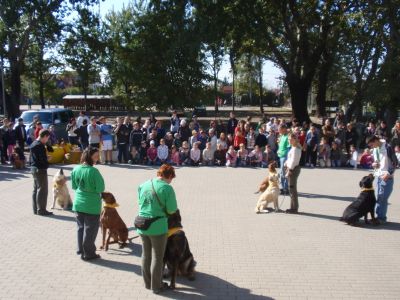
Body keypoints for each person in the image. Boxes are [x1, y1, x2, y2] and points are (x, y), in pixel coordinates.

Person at [136, 164, 177, 294]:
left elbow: (140, 202)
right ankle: (157, 286)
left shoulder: (144, 184)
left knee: (145, 255)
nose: (171, 181)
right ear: (169, 176)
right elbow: (171, 209)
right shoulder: (167, 188)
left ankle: (148, 283)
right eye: (172, 178)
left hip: (142, 224)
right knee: (157, 257)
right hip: (157, 227)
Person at [71, 147, 105, 261]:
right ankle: (89, 253)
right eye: (96, 156)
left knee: (80, 228)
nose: (97, 158)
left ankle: (80, 249)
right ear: (89, 157)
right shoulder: (94, 171)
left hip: (78, 204)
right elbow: (100, 188)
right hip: (91, 205)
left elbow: (74, 186)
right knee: (90, 230)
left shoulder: (76, 169)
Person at [367, 135, 395, 223]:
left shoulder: (388, 147)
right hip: (378, 176)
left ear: (376, 140)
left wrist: (389, 174)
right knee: (378, 197)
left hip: (386, 177)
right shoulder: (376, 149)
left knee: (383, 198)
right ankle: (377, 217)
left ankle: (381, 218)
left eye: (372, 145)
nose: (371, 147)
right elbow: (376, 161)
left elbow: (395, 163)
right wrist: (373, 164)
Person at [30, 129, 53, 216]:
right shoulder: (39, 145)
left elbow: (34, 158)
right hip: (40, 169)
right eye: (47, 138)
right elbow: (41, 159)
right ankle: (42, 210)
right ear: (45, 136)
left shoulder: (33, 143)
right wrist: (47, 160)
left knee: (36, 189)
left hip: (33, 168)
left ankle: (35, 209)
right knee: (42, 189)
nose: (47, 140)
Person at [284, 134, 302, 214]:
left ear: (295, 139)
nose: (289, 141)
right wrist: (286, 163)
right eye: (288, 139)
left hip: (293, 169)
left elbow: (294, 161)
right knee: (291, 189)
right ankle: (292, 207)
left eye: (291, 139)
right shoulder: (293, 148)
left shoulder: (296, 149)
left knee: (292, 189)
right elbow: (290, 159)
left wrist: (289, 169)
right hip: (291, 168)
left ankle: (294, 208)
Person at [277, 124, 290, 194]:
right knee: (282, 172)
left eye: (279, 129)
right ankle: (282, 187)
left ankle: (285, 188)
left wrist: (287, 159)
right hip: (281, 156)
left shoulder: (288, 136)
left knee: (283, 172)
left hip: (285, 157)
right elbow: (281, 145)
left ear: (284, 129)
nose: (278, 131)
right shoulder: (282, 136)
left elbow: (289, 148)